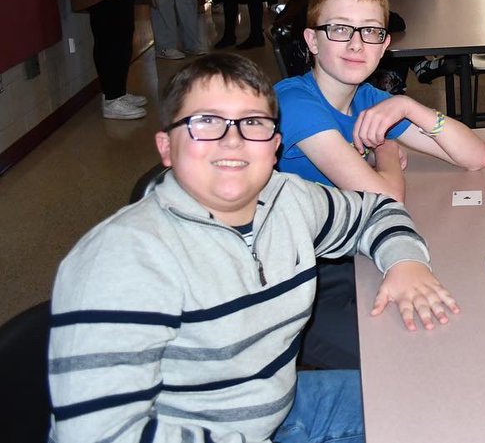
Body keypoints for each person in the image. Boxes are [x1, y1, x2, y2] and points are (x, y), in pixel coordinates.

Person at [48, 53, 460, 443]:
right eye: (205, 122)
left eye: (252, 123)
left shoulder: (287, 200)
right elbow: (95, 434)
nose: (232, 141)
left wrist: (406, 262)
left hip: (279, 410)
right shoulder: (121, 260)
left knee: (440, 400)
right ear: (165, 147)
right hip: (206, 429)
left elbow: (376, 211)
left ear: (275, 145)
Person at [275, 0, 485, 367]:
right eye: (340, 29)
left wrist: (411, 109)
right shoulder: (293, 100)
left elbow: (475, 157)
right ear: (312, 40)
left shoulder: (370, 98)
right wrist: (387, 149)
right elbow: (385, 200)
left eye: (371, 31)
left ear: (384, 44)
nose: (356, 43)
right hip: (299, 271)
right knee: (405, 350)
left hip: (356, 251)